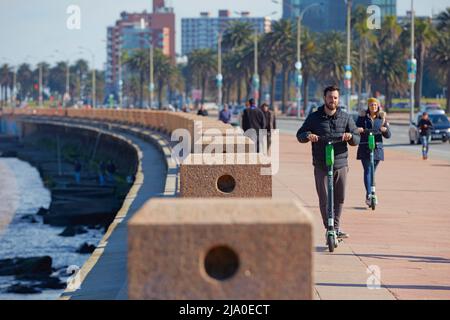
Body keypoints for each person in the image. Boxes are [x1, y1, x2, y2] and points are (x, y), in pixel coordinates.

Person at [297, 85, 360, 240]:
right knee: (324, 198)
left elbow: (357, 138)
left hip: (340, 163)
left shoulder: (345, 117)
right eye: (330, 97)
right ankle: (329, 227)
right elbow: (300, 135)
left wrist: (350, 137)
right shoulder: (314, 117)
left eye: (336, 97)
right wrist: (308, 136)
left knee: (340, 197)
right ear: (325, 98)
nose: (333, 100)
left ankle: (336, 228)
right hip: (321, 163)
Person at [356, 98, 392, 206]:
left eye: (375, 105)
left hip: (377, 148)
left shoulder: (382, 118)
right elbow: (355, 128)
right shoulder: (362, 117)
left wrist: (385, 130)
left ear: (378, 106)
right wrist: (359, 129)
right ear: (368, 106)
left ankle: (372, 192)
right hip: (364, 147)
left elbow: (388, 135)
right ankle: (369, 194)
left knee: (372, 171)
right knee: (368, 170)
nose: (373, 107)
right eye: (371, 105)